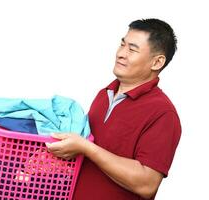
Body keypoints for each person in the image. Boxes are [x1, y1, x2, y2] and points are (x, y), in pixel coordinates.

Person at [45, 18, 181, 200]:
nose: (121, 54)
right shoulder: (104, 94)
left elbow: (147, 184)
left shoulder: (163, 113)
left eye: (132, 49)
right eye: (122, 45)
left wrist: (88, 148)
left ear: (157, 62)